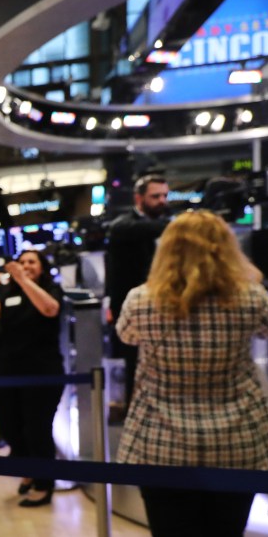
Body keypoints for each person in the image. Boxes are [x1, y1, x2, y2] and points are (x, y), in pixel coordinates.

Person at [115, 210, 268, 537]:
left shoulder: (142, 301)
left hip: (162, 442)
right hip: (237, 443)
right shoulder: (250, 297)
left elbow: (126, 336)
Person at [0, 249, 64, 506]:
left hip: (42, 371)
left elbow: (50, 309)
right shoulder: (9, 292)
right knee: (9, 426)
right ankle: (27, 471)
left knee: (37, 428)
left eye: (31, 262)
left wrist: (24, 280)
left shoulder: (50, 288)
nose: (26, 266)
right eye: (22, 261)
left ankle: (44, 483)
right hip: (9, 370)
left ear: (41, 266)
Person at [105, 174, 170, 407]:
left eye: (164, 195)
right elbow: (135, 230)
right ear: (139, 198)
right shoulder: (124, 226)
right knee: (135, 366)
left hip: (168, 308)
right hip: (133, 308)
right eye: (155, 196)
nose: (162, 201)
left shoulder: (166, 225)